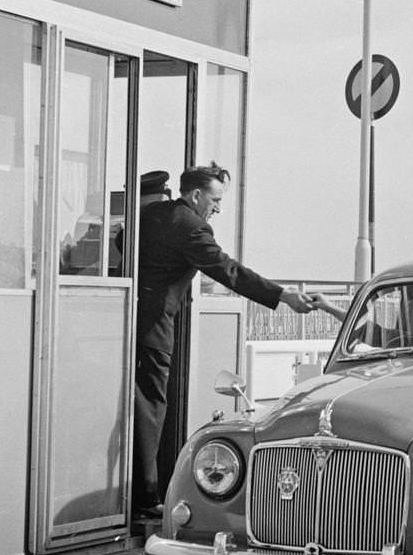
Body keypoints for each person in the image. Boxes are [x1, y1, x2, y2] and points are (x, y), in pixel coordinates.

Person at [134, 162, 313, 517]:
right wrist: (283, 296)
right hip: (154, 327)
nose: (217, 208)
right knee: (151, 408)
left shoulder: (154, 213)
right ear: (196, 195)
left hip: (131, 319)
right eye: (215, 200)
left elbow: (125, 242)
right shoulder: (191, 227)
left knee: (142, 406)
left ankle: (143, 490)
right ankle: (147, 496)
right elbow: (228, 271)